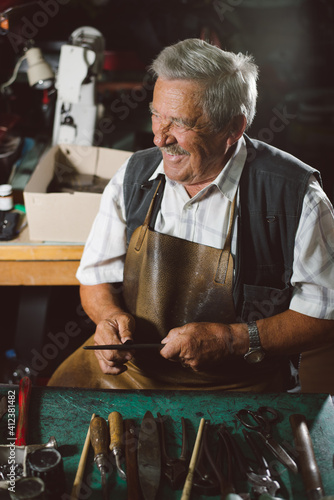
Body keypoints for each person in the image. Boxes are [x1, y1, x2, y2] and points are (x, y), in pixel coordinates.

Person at [48, 38, 334, 392]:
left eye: (179, 123)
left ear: (233, 128)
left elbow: (325, 314)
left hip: (242, 387)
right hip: (133, 379)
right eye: (156, 115)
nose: (159, 138)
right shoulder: (134, 176)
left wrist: (233, 340)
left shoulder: (294, 197)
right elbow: (95, 277)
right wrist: (108, 317)